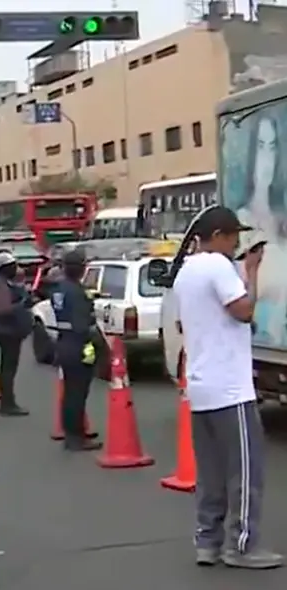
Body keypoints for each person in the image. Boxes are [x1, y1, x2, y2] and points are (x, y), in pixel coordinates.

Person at [172, 206, 282, 569]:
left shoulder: (186, 271)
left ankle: (209, 541)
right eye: (234, 235)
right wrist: (250, 273)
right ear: (219, 235)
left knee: (212, 473)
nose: (238, 242)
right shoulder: (218, 267)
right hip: (230, 389)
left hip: (201, 388)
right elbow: (243, 311)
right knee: (246, 471)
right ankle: (242, 545)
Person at [234, 114, 287, 347]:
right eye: (261, 147)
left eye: (272, 147)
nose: (267, 159)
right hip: (258, 337)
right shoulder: (240, 220)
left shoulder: (282, 219)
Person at [51, 249, 102, 451]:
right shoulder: (78, 292)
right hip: (79, 345)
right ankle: (75, 437)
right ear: (82, 269)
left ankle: (72, 433)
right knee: (77, 394)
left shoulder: (59, 289)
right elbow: (83, 326)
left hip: (64, 342)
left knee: (70, 392)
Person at [0, 251, 31, 416]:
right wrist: (23, 303)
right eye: (13, 266)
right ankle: (7, 404)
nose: (16, 268)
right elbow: (4, 309)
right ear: (4, 268)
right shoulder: (1, 285)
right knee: (8, 367)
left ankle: (8, 402)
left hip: (10, 330)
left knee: (9, 367)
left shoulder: (6, 282)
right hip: (7, 331)